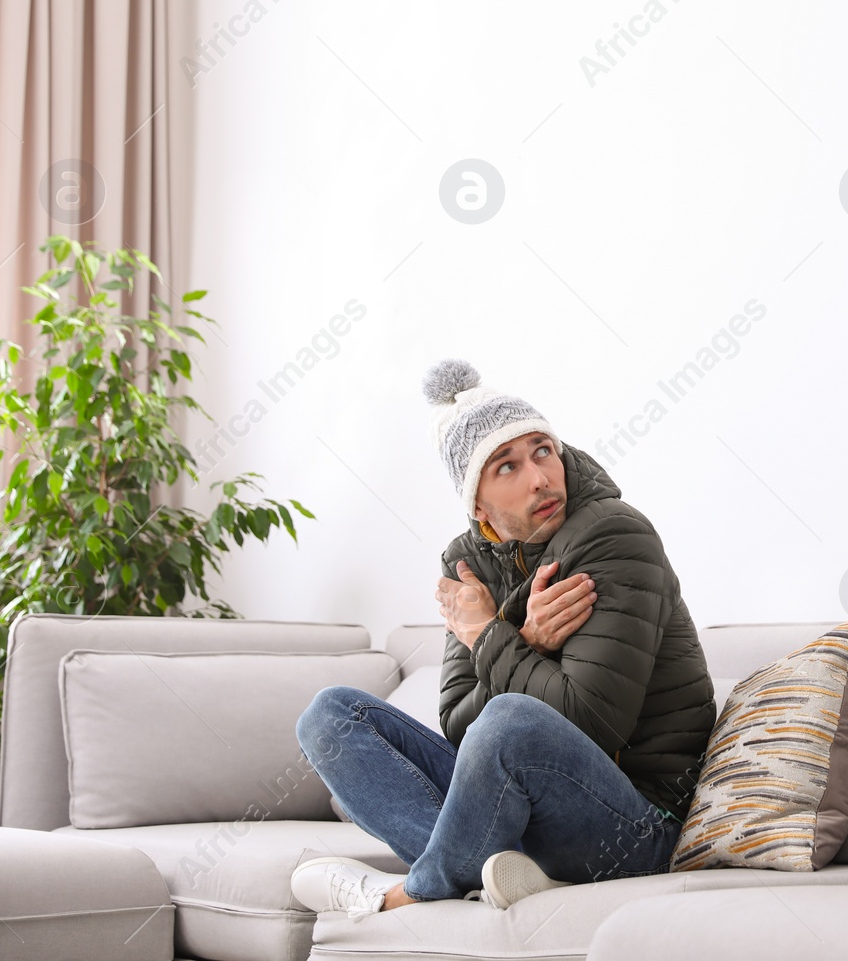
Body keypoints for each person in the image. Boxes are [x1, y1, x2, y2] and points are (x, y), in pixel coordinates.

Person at [290, 359, 716, 916]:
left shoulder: (614, 534)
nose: (540, 477)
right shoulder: (466, 563)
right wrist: (524, 637)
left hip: (637, 825)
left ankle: (409, 894)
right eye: (507, 466)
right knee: (330, 718)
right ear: (477, 504)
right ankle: (496, 870)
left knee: (510, 722)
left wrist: (489, 634)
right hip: (533, 818)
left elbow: (586, 722)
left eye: (543, 450)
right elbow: (459, 725)